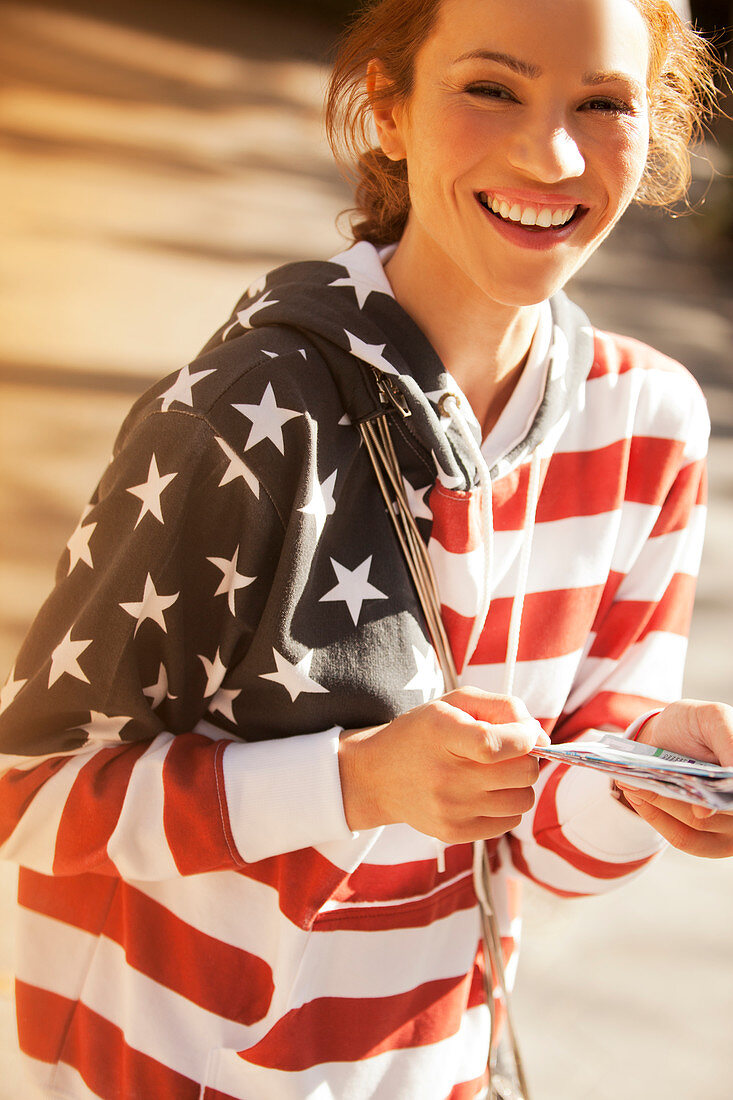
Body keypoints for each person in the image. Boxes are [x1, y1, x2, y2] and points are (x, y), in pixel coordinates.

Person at [0, 0, 730, 1097]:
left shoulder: (649, 427)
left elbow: (537, 853)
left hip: (431, 1069)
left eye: (603, 103)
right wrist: (356, 781)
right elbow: (34, 801)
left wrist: (645, 781)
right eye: (492, 87)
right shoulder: (243, 413)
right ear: (388, 108)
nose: (553, 151)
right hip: (153, 1069)